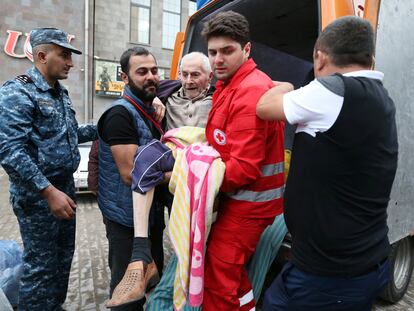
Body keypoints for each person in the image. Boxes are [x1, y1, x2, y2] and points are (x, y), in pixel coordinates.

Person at [256, 16, 398, 310]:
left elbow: (264, 108)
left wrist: (286, 84)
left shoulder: (333, 90)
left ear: (319, 58)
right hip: (361, 261)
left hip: (329, 276)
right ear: (370, 59)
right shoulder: (380, 97)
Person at [107, 51, 214, 308]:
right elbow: (127, 172)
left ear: (209, 77)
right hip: (135, 206)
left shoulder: (221, 98)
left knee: (187, 248)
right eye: (184, 74)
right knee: (129, 279)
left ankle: (182, 287)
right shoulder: (145, 102)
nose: (188, 80)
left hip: (188, 183)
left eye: (195, 75)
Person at [0, 27, 97, 311]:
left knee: (63, 257)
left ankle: (54, 306)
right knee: (41, 266)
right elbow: (9, 150)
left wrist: (105, 126)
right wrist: (48, 192)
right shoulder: (17, 92)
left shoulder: (59, 93)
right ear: (42, 55)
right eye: (64, 55)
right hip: (38, 196)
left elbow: (67, 134)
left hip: (63, 189)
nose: (70, 62)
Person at [201, 11, 285, 310]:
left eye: (227, 51)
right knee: (233, 272)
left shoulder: (248, 91)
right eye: (212, 52)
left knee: (217, 277)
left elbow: (244, 168)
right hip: (242, 200)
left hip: (247, 204)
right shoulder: (231, 84)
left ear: (246, 49)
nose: (217, 60)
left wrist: (192, 179)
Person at [97, 46, 166, 311]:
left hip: (150, 216)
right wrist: (183, 173)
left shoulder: (149, 106)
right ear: (124, 77)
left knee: (150, 277)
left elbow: (184, 81)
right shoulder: (120, 115)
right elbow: (130, 175)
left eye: (154, 70)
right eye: (141, 72)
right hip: (125, 220)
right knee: (126, 291)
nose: (151, 77)